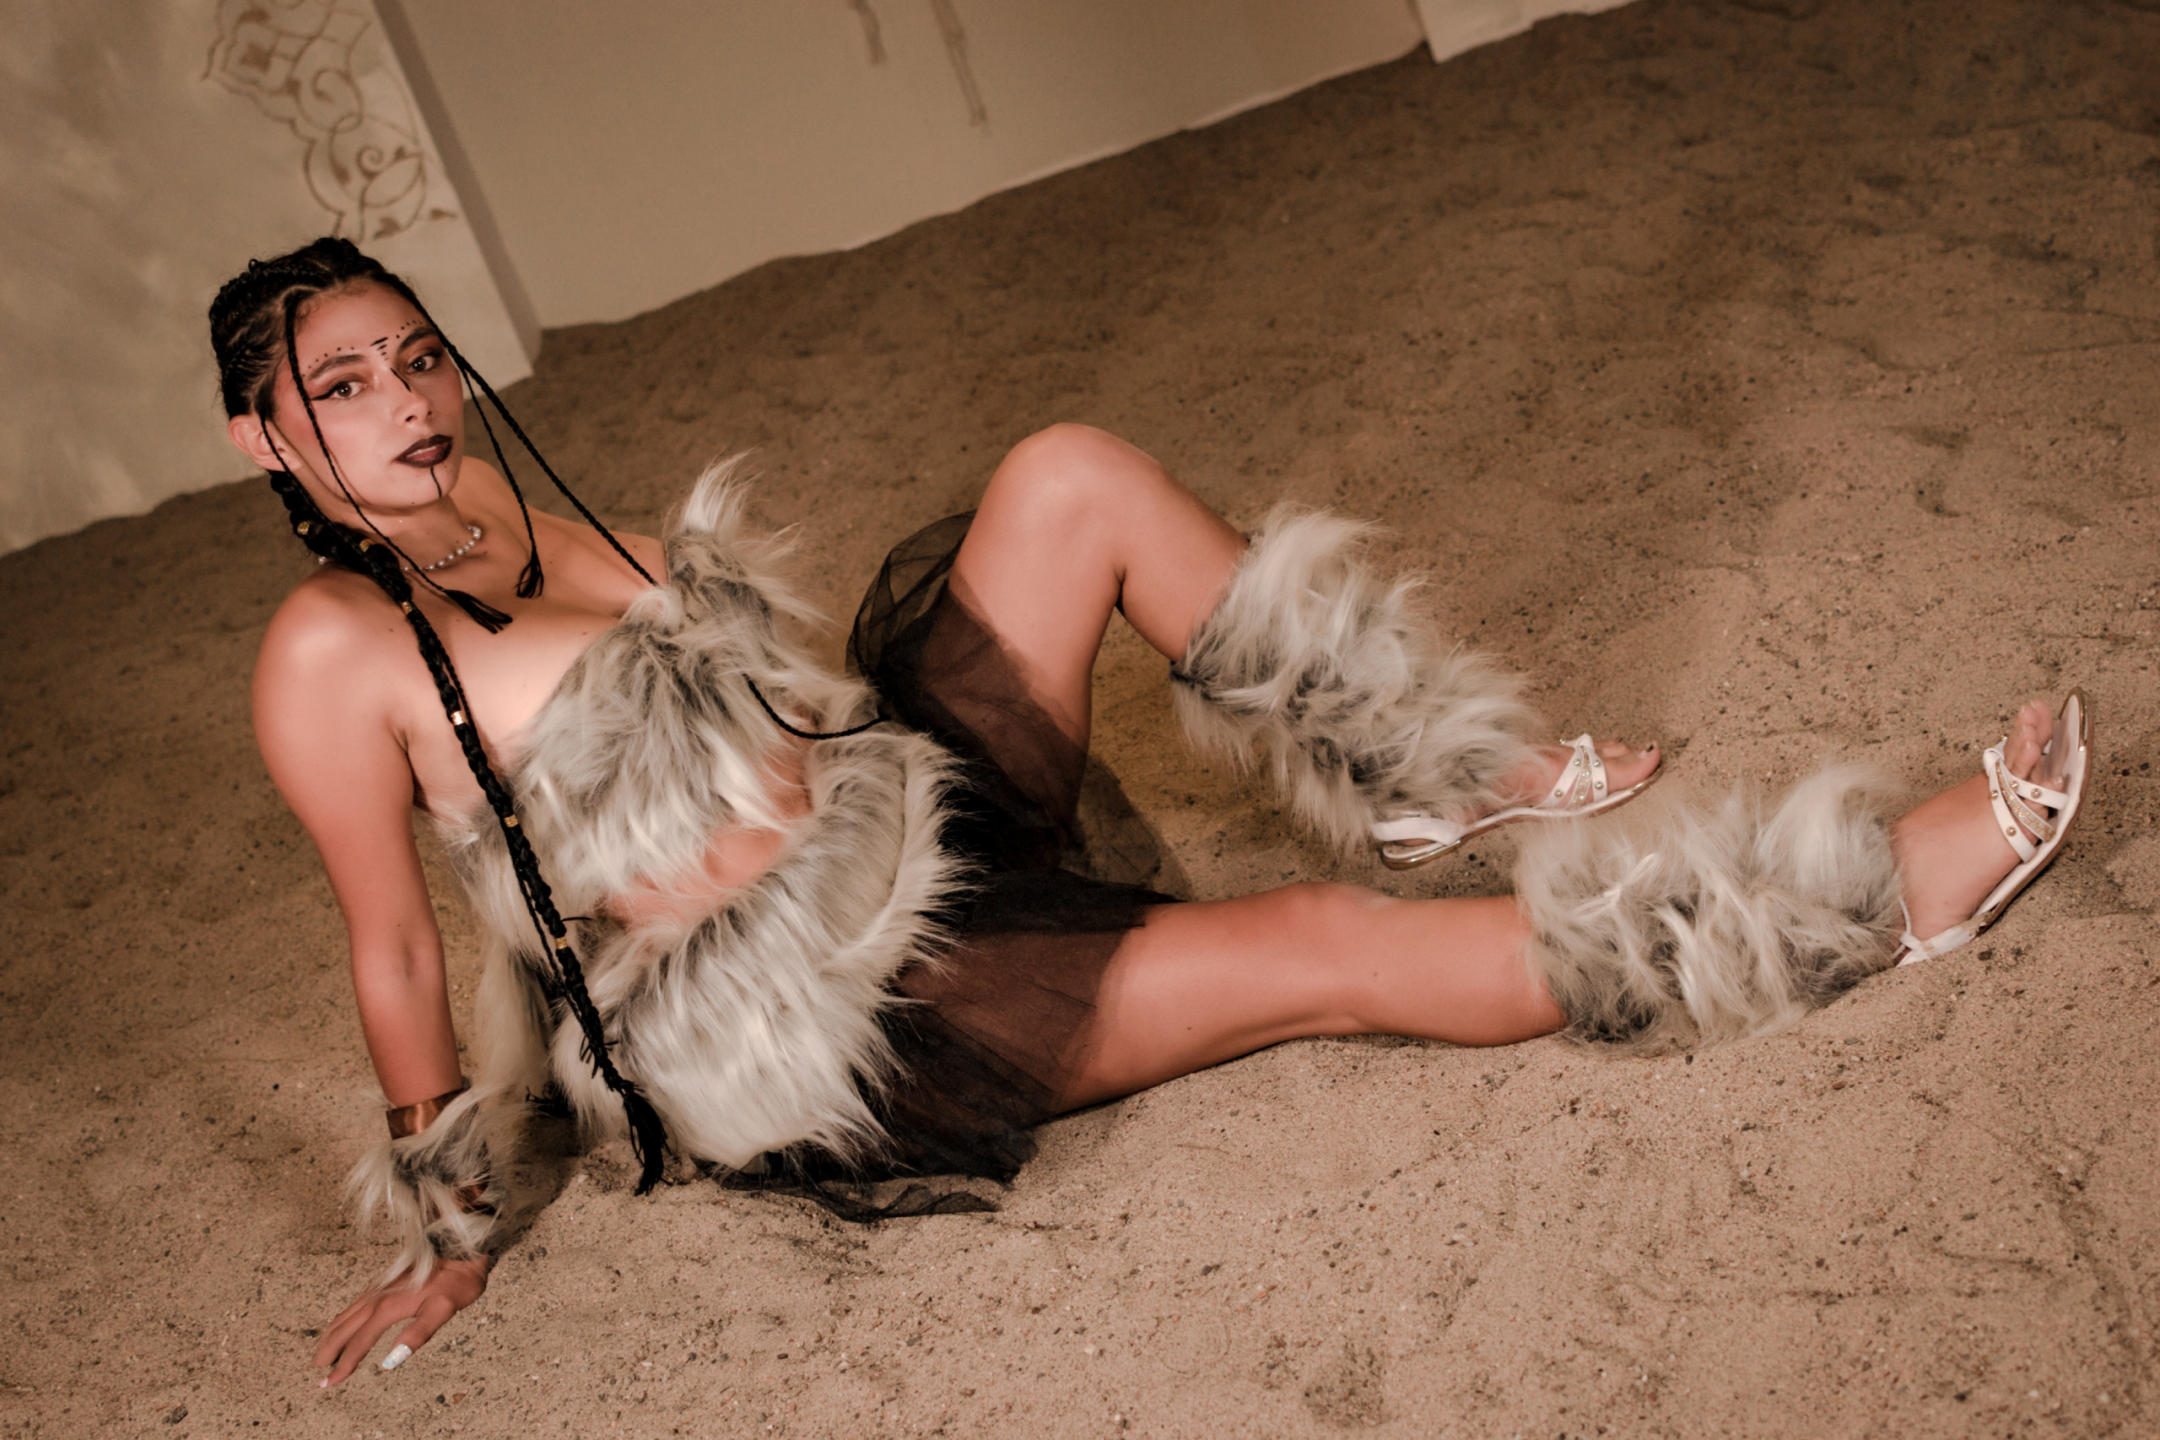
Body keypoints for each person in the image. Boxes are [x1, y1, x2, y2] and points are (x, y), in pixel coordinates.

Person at [208, 238, 2090, 1386]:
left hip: (895, 812)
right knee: (1325, 951)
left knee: (1067, 478)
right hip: (844, 1009)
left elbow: (722, 694)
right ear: (265, 439)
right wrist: (449, 1233)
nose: (410, 404)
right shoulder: (327, 649)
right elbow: (397, 948)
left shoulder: (487, 505)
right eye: (344, 386)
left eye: (418, 357)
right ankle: (1864, 903)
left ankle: (1436, 776)